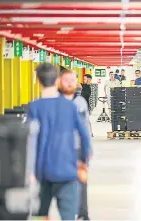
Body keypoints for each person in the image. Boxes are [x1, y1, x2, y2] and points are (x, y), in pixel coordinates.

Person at [27, 63, 91, 220]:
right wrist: (83, 160)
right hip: (68, 170)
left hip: (43, 172)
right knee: (68, 216)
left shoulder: (34, 107)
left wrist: (30, 171)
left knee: (40, 215)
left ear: (38, 81)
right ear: (57, 80)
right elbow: (84, 134)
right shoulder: (70, 106)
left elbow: (30, 140)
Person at [59, 69, 92, 221]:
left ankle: (82, 213)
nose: (71, 83)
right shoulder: (55, 101)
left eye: (73, 80)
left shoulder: (80, 102)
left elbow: (85, 129)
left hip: (77, 149)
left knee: (81, 182)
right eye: (67, 80)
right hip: (59, 149)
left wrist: (88, 150)